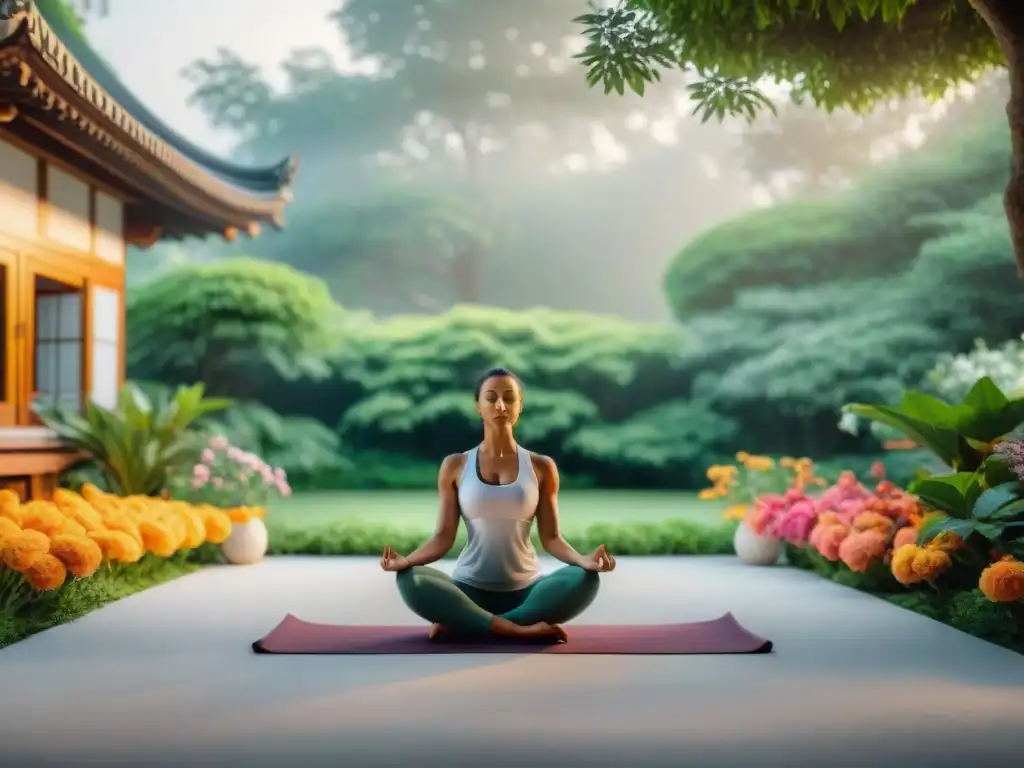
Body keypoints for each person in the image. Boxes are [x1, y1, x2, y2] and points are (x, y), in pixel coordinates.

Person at [380, 367, 616, 642]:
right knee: (411, 579)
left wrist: (584, 560)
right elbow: (443, 537)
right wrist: (406, 561)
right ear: (478, 407)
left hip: (527, 590)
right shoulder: (455, 465)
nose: (500, 405)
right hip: (467, 589)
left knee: (585, 579)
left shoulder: (542, 467)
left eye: (509, 398)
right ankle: (515, 629)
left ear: (520, 406)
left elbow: (551, 538)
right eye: (491, 398)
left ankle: (468, 623)